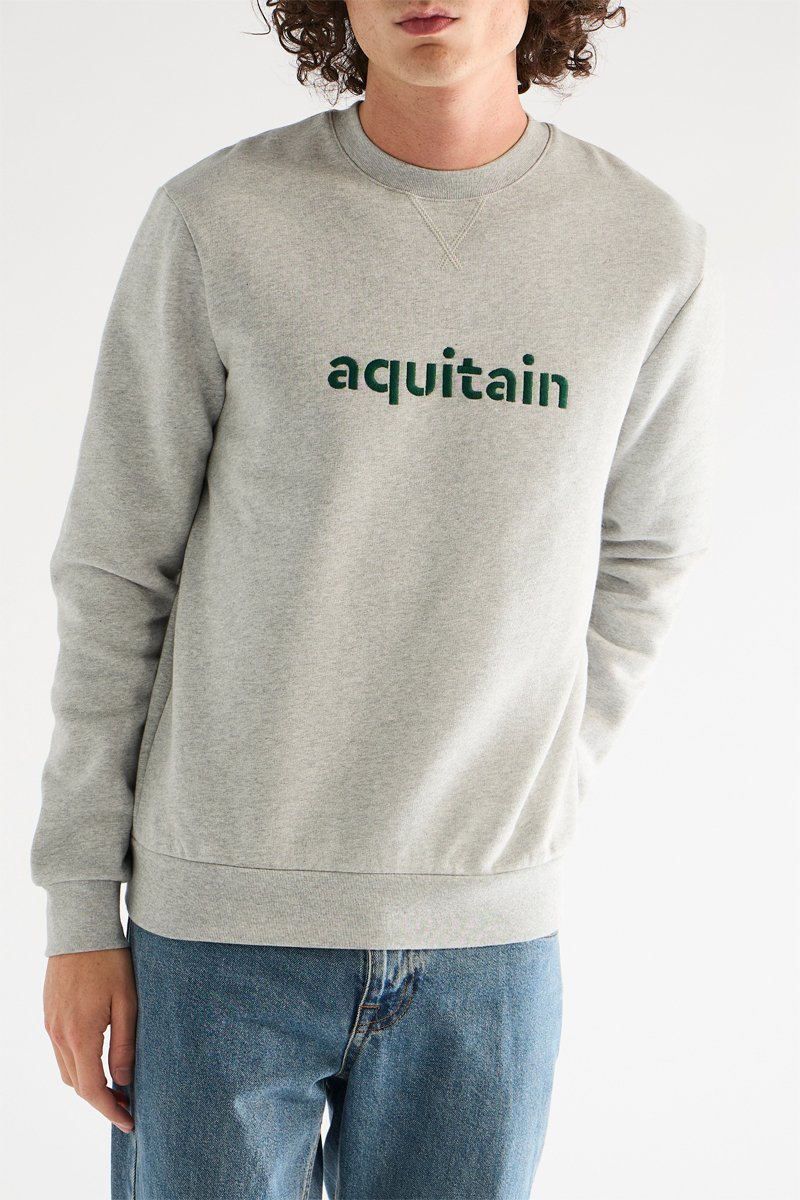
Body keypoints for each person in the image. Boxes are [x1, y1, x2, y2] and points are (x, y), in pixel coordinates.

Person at [30, 2, 726, 1197]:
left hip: (487, 945)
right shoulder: (220, 219)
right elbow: (114, 565)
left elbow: (647, 552)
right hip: (217, 932)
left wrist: (537, 776)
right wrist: (82, 910)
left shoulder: (644, 247)